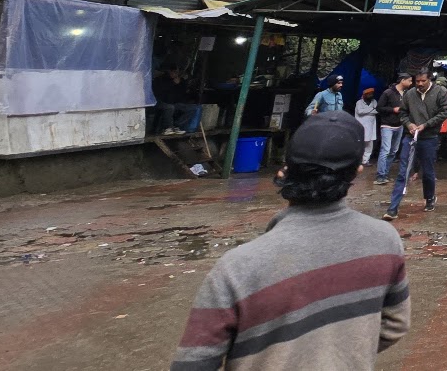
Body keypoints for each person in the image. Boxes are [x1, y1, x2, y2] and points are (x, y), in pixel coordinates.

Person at [170, 113, 409, 370]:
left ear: (284, 170)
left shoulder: (237, 267)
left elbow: (193, 363)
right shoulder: (384, 240)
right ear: (357, 172)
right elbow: (395, 325)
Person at [383, 71, 447, 221]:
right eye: (417, 81)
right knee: (403, 172)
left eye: (423, 81)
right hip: (410, 136)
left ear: (429, 80)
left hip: (429, 137)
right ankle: (392, 208)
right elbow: (402, 113)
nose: (419, 84)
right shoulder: (410, 94)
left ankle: (430, 197)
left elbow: (445, 112)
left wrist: (426, 125)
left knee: (428, 172)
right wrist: (409, 124)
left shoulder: (440, 92)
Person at [374, 74, 409, 185]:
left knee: (393, 151)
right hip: (387, 125)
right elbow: (379, 108)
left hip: (399, 125)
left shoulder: (406, 94)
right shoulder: (388, 93)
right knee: (385, 150)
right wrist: (393, 109)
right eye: (409, 81)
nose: (411, 83)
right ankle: (380, 175)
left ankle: (385, 173)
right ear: (402, 81)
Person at [153, 67, 190, 136]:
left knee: (190, 108)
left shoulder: (177, 80)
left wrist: (183, 81)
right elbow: (160, 92)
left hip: (172, 102)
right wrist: (173, 83)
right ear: (169, 71)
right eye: (174, 72)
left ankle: (176, 126)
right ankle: (167, 128)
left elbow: (182, 92)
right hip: (158, 102)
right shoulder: (160, 79)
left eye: (177, 72)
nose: (176, 74)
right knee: (170, 107)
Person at [354, 87, 378, 167]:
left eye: (372, 94)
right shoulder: (359, 102)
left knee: (369, 144)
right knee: (360, 144)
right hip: (361, 126)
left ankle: (365, 160)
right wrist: (371, 110)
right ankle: (358, 160)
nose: (371, 95)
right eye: (369, 94)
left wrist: (368, 110)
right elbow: (360, 112)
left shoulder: (374, 101)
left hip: (371, 126)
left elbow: (377, 110)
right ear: (365, 95)